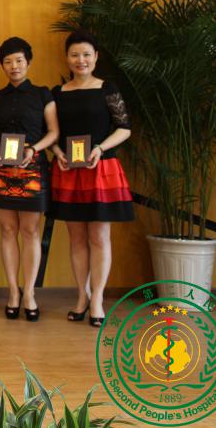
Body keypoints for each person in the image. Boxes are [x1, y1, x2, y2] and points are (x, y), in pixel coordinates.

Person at [49, 30, 132, 327]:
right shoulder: (57, 93)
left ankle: (97, 299)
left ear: (96, 57)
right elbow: (52, 133)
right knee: (76, 238)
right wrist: (57, 151)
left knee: (99, 237)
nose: (80, 60)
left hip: (101, 169)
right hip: (68, 171)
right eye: (75, 55)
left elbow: (124, 128)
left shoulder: (107, 88)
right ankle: (81, 297)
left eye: (86, 54)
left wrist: (100, 148)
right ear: (67, 58)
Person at [0, 37, 58, 322]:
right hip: (3, 168)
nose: (13, 66)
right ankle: (12, 292)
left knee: (30, 231)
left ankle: (29, 293)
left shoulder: (42, 94)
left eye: (18, 60)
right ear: (2, 65)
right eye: (7, 61)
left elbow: (54, 132)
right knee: (7, 230)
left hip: (33, 166)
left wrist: (33, 149)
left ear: (28, 62)